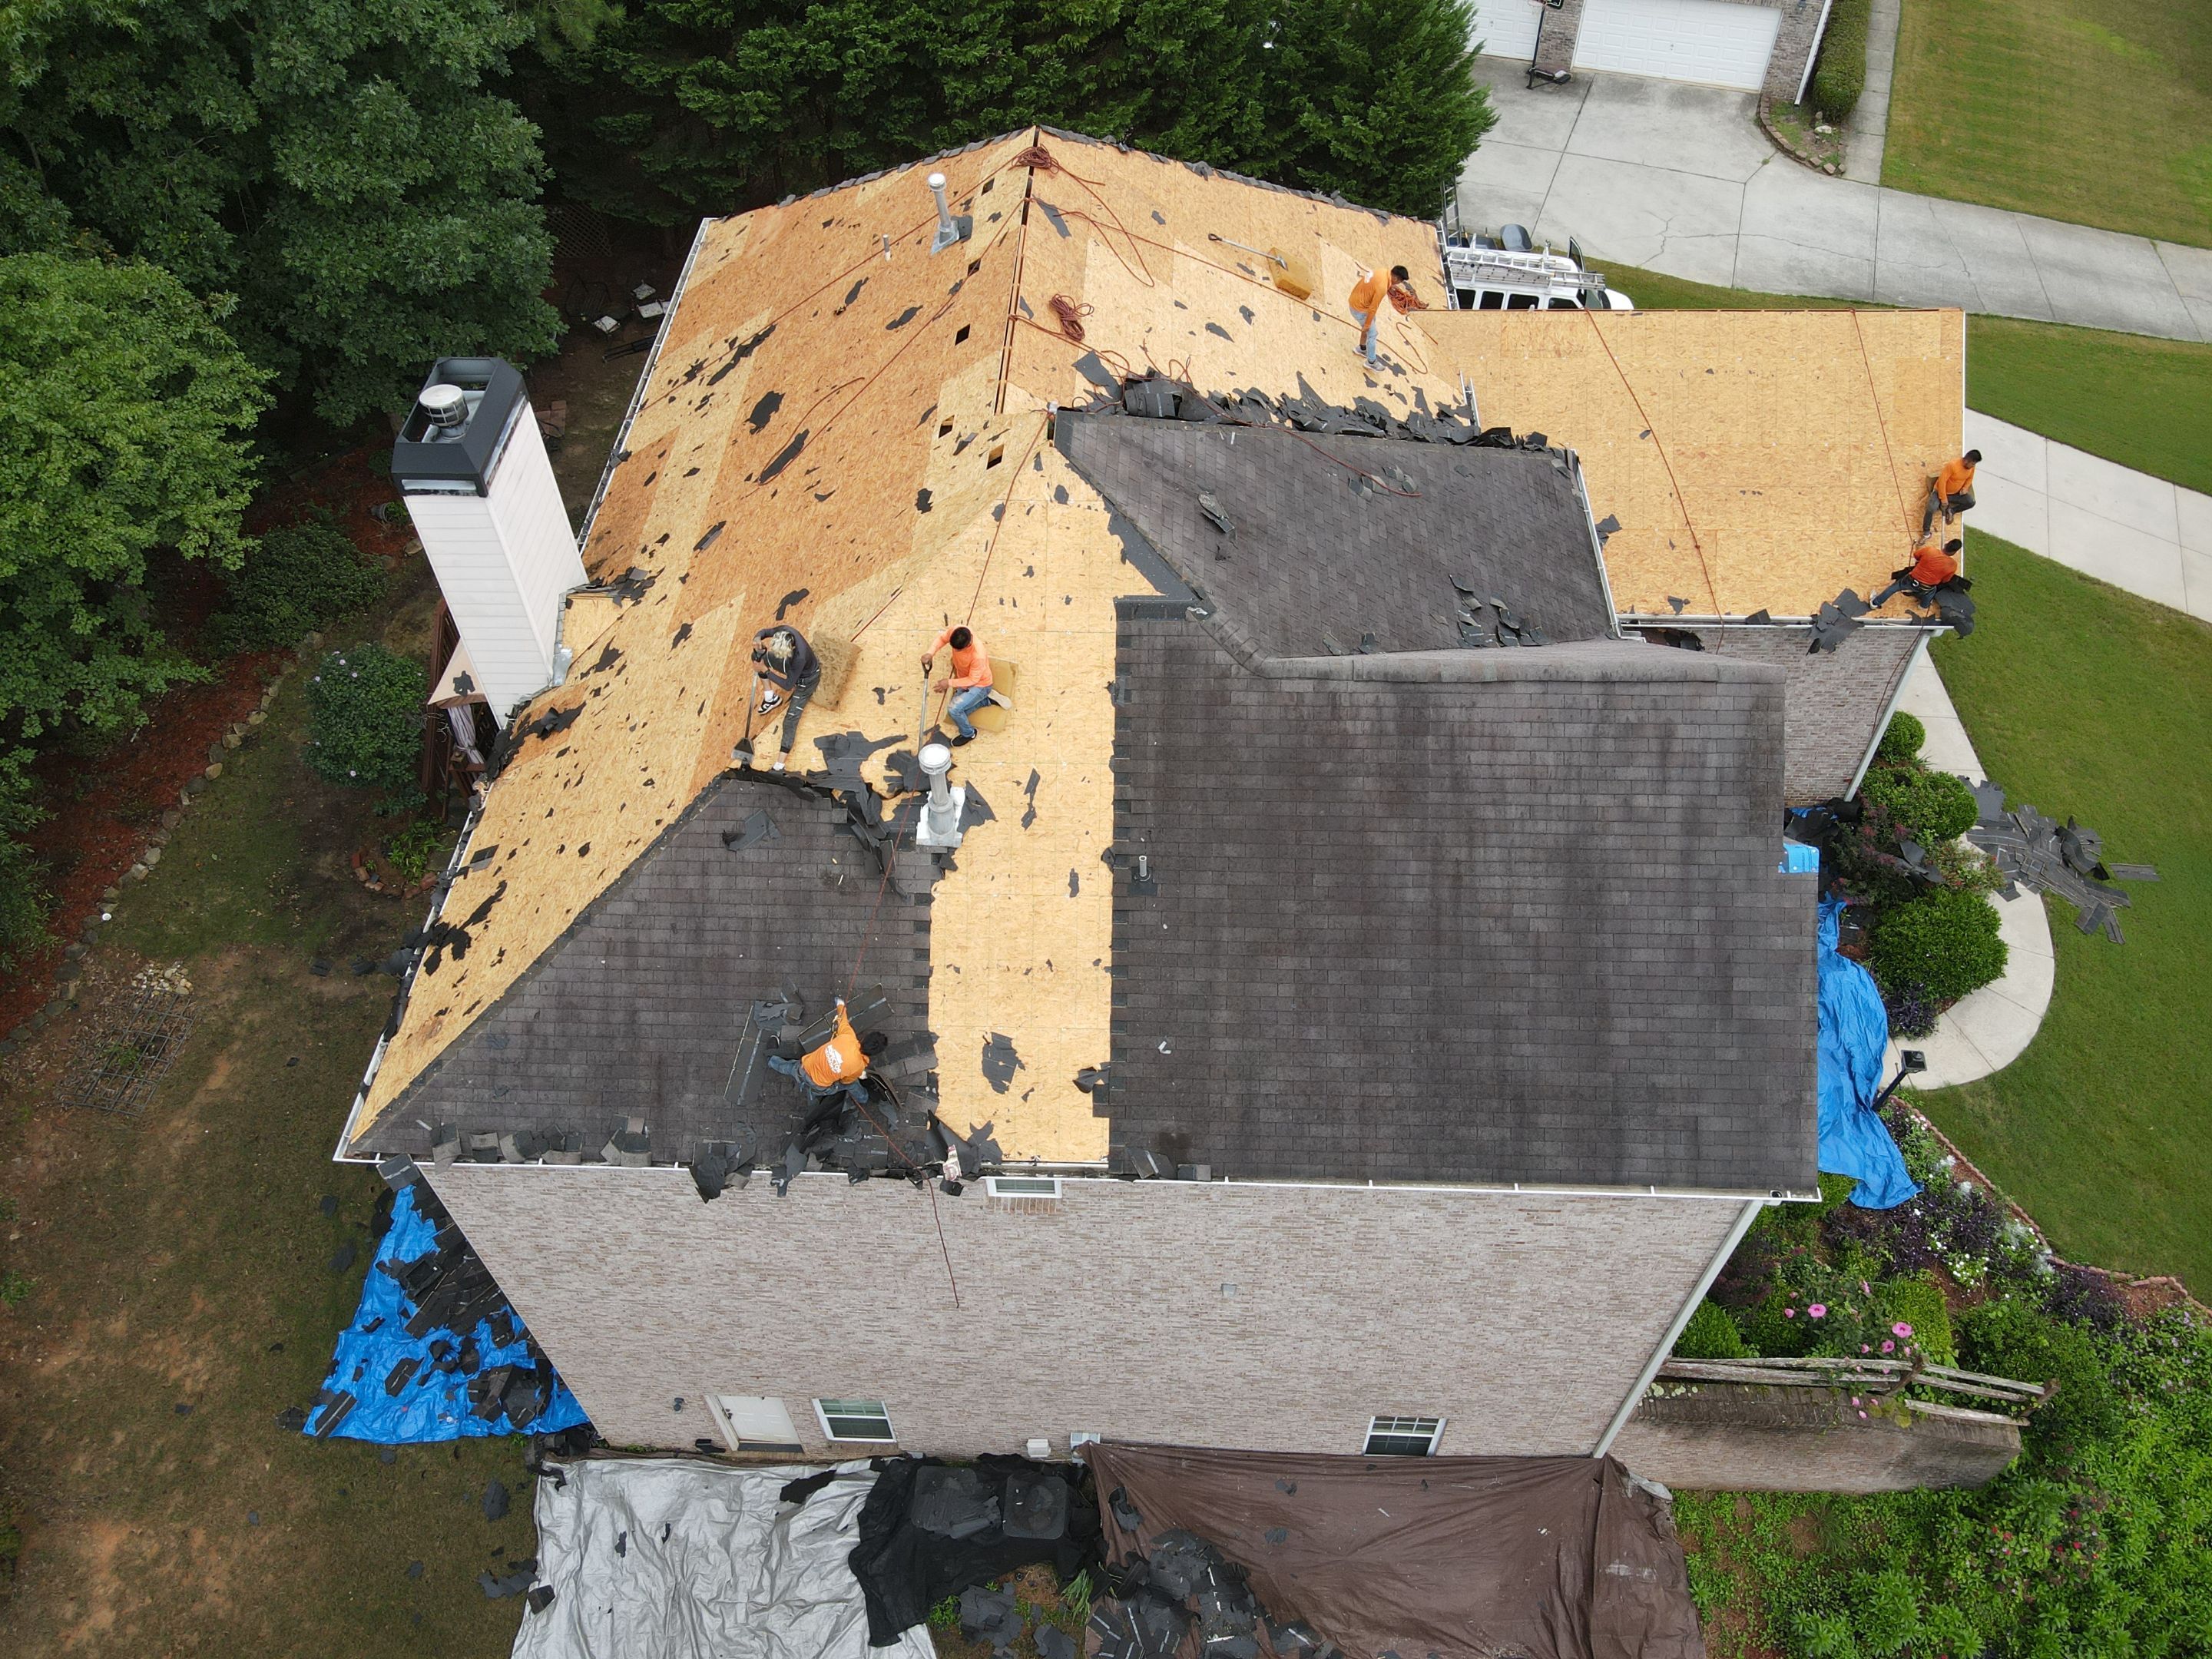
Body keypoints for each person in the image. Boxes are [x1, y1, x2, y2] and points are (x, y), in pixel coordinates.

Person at [750, 624, 820, 773]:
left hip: (805, 681)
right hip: (790, 664)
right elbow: (766, 631)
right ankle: (771, 698)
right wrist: (758, 638)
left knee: (790, 720)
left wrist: (765, 671)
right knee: (758, 656)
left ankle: (779, 765)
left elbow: (788, 685)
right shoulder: (786, 631)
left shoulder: (800, 657)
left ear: (792, 648)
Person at [768, 997, 867, 1098]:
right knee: (853, 1084)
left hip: (805, 1067)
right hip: (820, 1086)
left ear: (863, 1040)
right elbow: (845, 1081)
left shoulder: (848, 1038)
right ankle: (863, 1098)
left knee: (790, 1068)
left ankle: (771, 1061)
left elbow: (842, 1021)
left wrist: (840, 1005)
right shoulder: (859, 1067)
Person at [923, 624, 993, 746]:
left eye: (959, 650)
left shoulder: (978, 655)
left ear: (968, 644)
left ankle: (969, 734)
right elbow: (942, 639)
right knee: (958, 713)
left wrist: (949, 683)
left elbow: (973, 680)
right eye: (954, 649)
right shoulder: (958, 630)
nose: (956, 651)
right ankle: (985, 701)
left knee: (954, 710)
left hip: (981, 685)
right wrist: (930, 653)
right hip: (964, 679)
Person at [1870, 538, 1963, 608]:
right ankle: (1924, 606)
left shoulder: (1930, 550)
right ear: (1954, 553)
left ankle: (1875, 603)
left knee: (1894, 588)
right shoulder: (1953, 565)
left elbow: (1916, 555)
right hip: (1927, 587)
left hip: (1911, 580)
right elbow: (1945, 580)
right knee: (1931, 592)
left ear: (1946, 544)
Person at [1347, 264, 1409, 369]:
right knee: (1372, 334)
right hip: (1360, 309)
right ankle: (1371, 362)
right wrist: (1367, 324)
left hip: (1355, 300)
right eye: (1399, 282)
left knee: (1371, 324)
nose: (1398, 284)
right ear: (1395, 278)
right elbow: (1373, 308)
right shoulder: (1382, 287)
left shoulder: (1383, 271)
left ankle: (1362, 348)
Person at [1921, 450, 1980, 535]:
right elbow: (1942, 481)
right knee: (1931, 508)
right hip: (1939, 492)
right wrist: (1943, 498)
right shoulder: (1952, 465)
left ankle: (1952, 510)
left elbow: (1970, 478)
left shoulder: (1971, 468)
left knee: (1971, 502)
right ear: (1967, 461)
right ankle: (1926, 531)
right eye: (1973, 464)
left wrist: (1965, 488)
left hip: (1956, 494)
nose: (1973, 466)